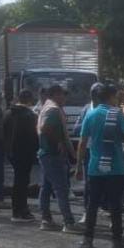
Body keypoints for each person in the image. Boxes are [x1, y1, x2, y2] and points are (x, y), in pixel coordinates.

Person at [75, 81, 124, 248]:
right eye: (116, 97)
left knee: (92, 204)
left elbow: (82, 142)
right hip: (115, 167)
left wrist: (78, 166)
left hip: (95, 167)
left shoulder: (90, 114)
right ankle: (116, 240)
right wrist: (121, 139)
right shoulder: (117, 114)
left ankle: (88, 239)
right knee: (115, 205)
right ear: (111, 97)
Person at [36, 85, 78, 230]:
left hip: (46, 154)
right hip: (52, 155)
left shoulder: (47, 107)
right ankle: (68, 222)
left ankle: (46, 220)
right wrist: (58, 142)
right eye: (62, 95)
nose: (65, 98)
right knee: (61, 189)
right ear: (56, 95)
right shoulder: (53, 110)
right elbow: (45, 128)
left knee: (46, 188)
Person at [4, 89, 40, 222]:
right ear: (30, 100)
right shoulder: (30, 115)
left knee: (18, 181)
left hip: (12, 153)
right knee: (23, 182)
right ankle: (22, 211)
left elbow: (3, 132)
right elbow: (34, 137)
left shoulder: (8, 113)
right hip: (25, 153)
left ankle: (16, 210)